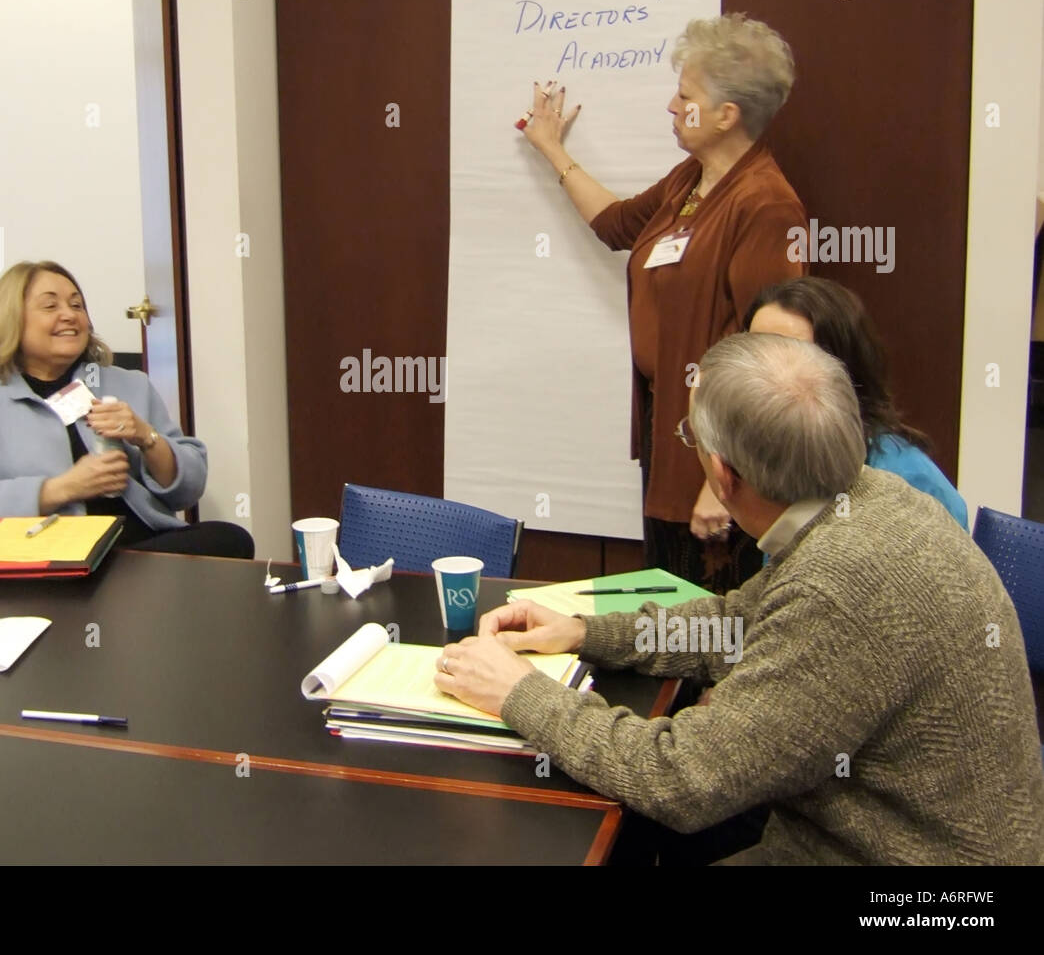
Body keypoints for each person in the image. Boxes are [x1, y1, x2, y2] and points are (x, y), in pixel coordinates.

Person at [434, 334, 1044, 865]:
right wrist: (584, 633)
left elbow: (680, 779)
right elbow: (740, 624)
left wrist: (519, 692)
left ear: (723, 474)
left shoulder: (839, 584)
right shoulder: (875, 497)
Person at [520, 13, 806, 593]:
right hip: (671, 431)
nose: (672, 106)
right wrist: (551, 149)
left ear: (728, 115)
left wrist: (724, 476)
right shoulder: (691, 180)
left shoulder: (767, 206)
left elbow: (772, 358)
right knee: (670, 603)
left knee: (705, 623)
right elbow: (618, 222)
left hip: (719, 458)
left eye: (685, 95)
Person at [0, 261, 253, 558]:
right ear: (10, 319)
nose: (69, 315)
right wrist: (62, 488)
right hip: (46, 554)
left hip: (139, 549)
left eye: (76, 305)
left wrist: (146, 437)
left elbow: (189, 489)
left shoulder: (129, 384)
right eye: (50, 305)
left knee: (230, 539)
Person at [745, 276, 967, 528]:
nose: (762, 376)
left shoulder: (909, 479)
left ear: (845, 368)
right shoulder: (774, 459)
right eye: (754, 354)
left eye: (789, 357)